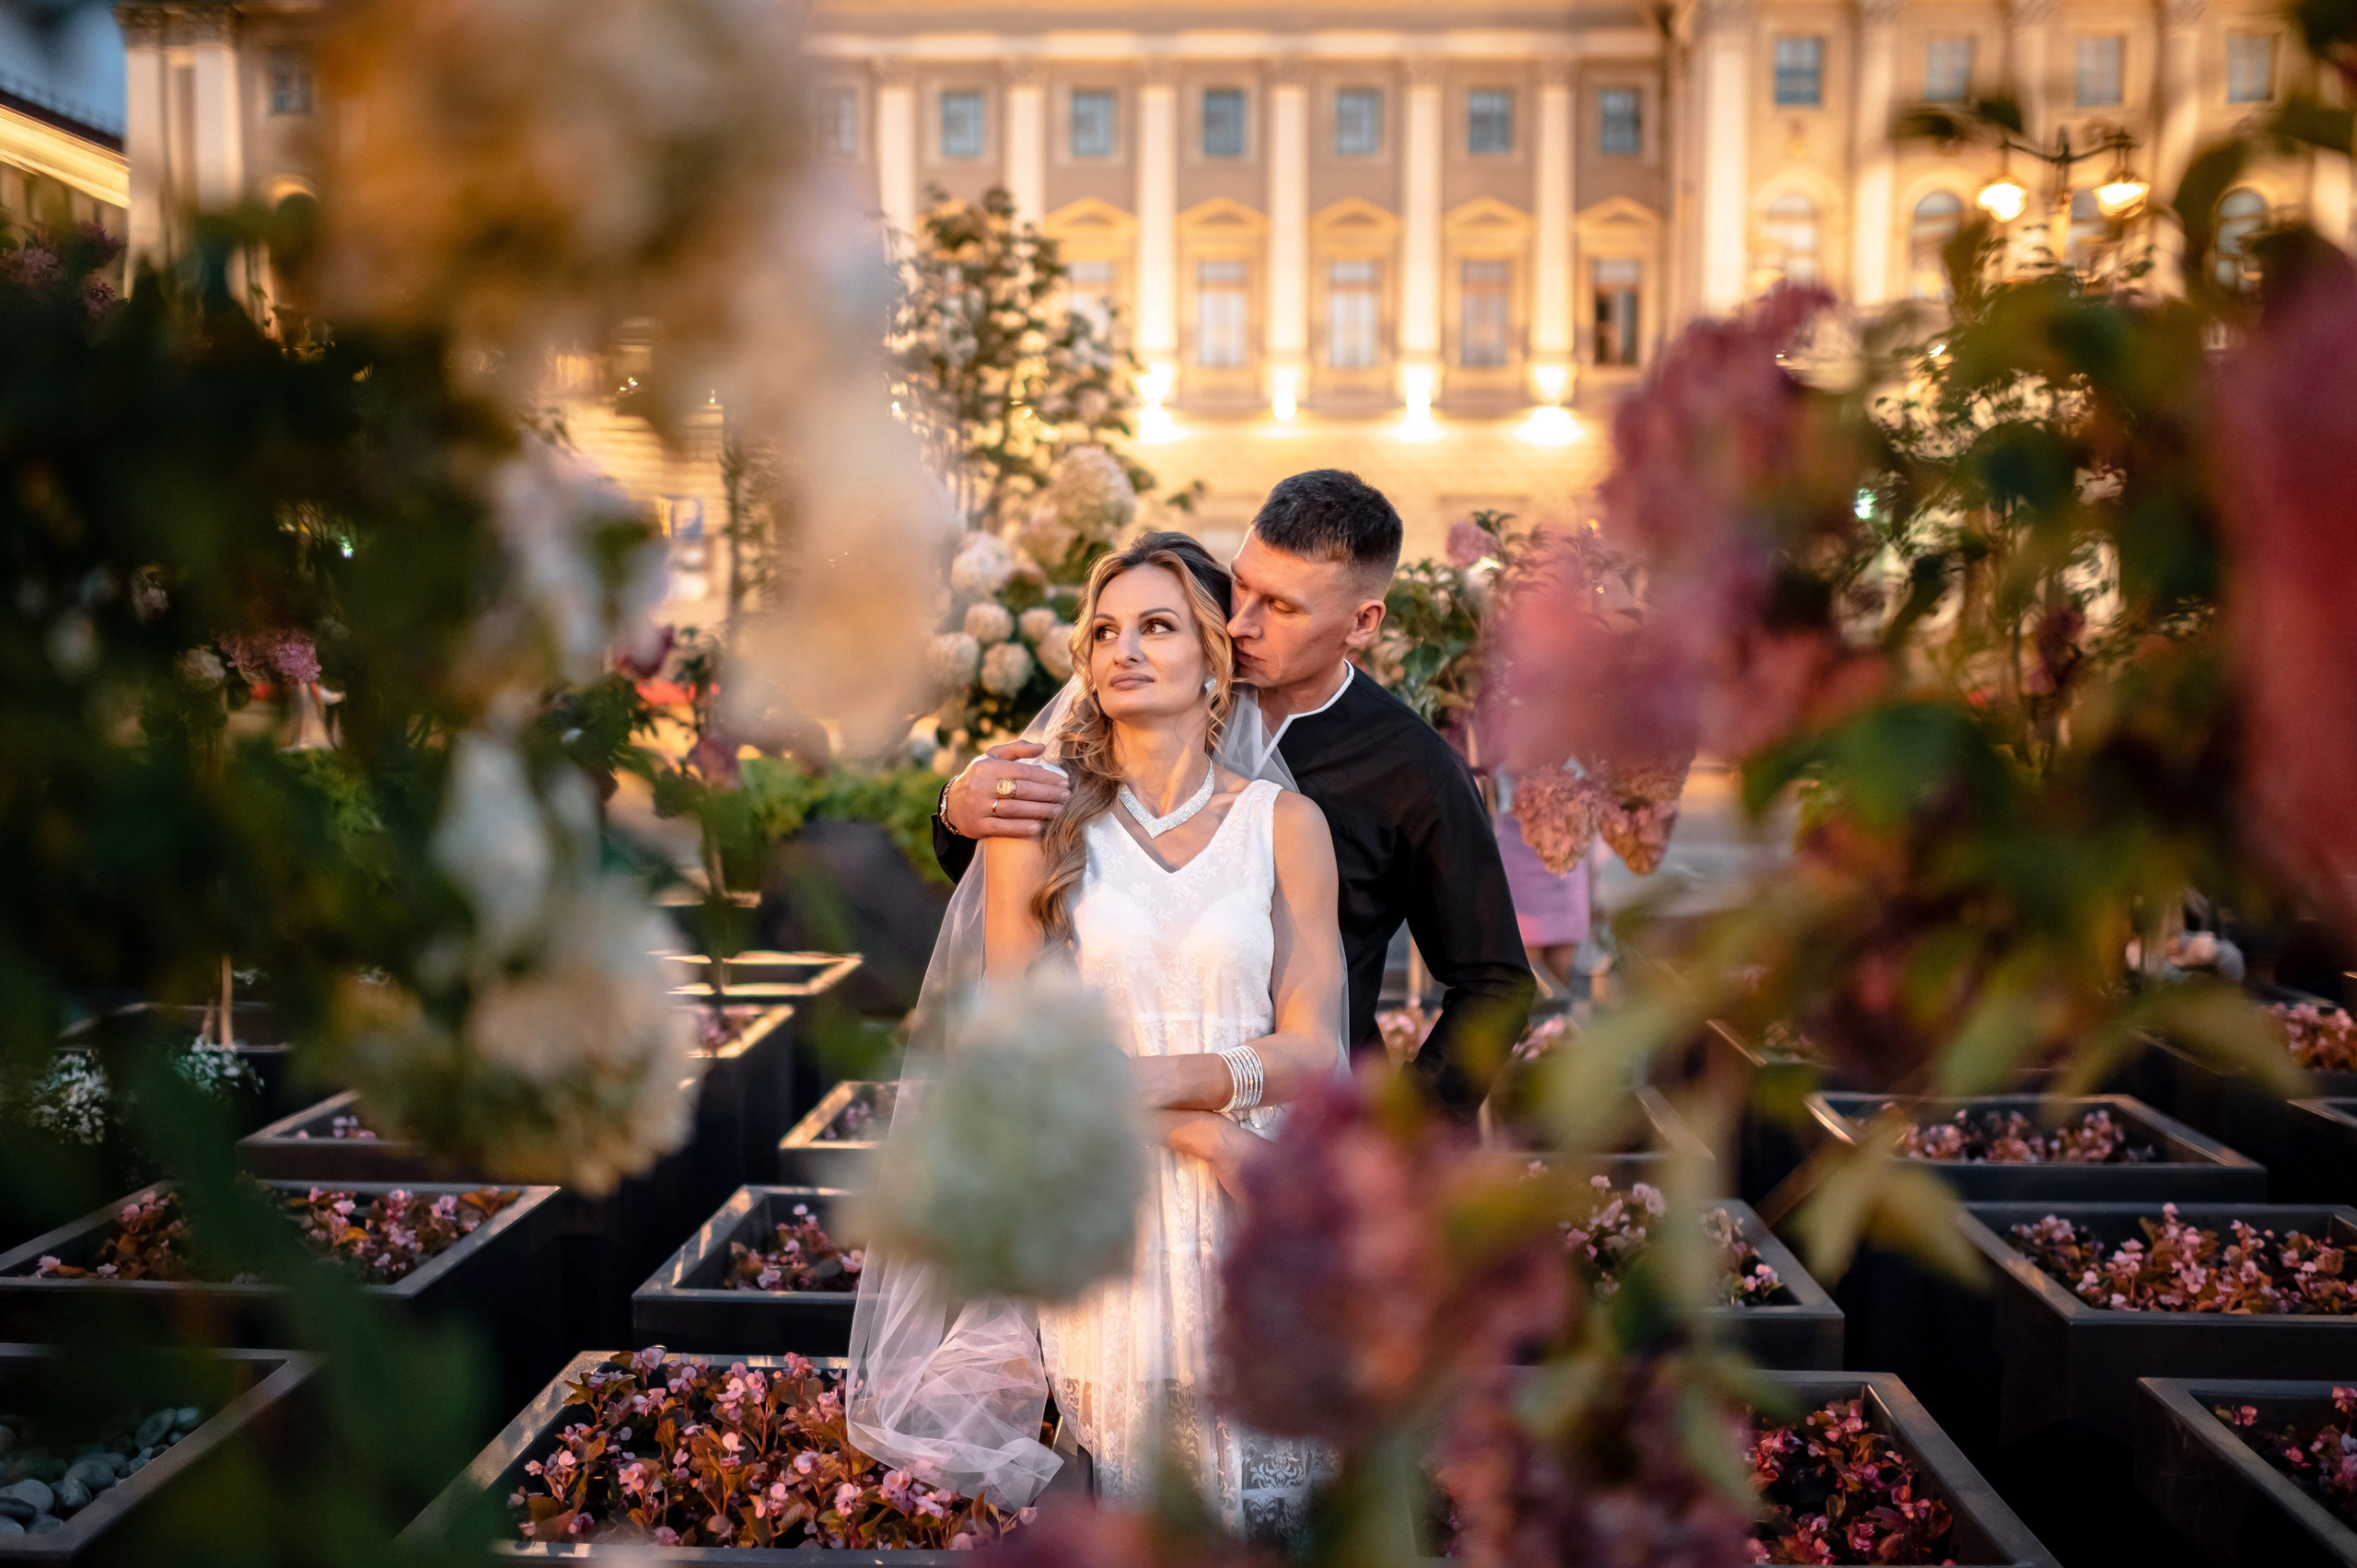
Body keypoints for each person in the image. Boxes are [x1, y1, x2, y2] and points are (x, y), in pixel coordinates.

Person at [851, 533, 1343, 1539]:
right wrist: (1198, 1130)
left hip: (1256, 1201)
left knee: (1276, 1508)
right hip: (1111, 1216)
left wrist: (1171, 1097)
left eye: (1157, 625)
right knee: (1136, 1504)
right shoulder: (1036, 819)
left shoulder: (1286, 824)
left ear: (1213, 658)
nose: (1124, 647)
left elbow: (1317, 1048)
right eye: (1106, 630)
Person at [935, 470, 1535, 1119]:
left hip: (1300, 1123)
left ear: (1362, 622)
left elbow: (1494, 982)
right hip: (1105, 1115)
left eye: (1281, 607)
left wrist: (1399, 1134)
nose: (1241, 623)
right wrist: (957, 811)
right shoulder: (1161, 688)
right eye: (1241, 584)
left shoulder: (1412, 769)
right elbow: (1028, 894)